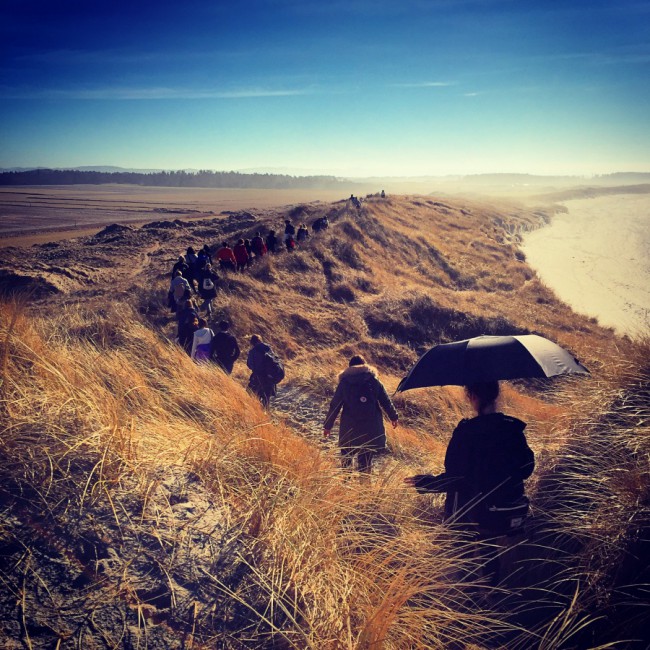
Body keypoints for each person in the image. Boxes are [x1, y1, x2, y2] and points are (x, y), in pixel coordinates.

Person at [404, 381, 535, 534]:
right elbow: (527, 468)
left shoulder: (466, 433)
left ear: (471, 396)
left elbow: (455, 479)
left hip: (475, 520)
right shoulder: (513, 428)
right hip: (511, 514)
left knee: (479, 556)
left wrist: (424, 483)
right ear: (496, 395)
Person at [323, 355, 398, 475]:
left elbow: (335, 405)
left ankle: (346, 486)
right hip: (369, 428)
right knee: (365, 462)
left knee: (346, 457)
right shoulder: (374, 381)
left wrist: (328, 426)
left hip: (349, 427)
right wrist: (394, 417)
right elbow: (386, 401)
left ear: (349, 367)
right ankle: (364, 487)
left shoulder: (344, 383)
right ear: (365, 365)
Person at [247, 334, 282, 408]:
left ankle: (259, 410)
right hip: (269, 375)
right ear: (260, 340)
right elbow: (274, 359)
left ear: (252, 342)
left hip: (258, 375)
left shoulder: (252, 351)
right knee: (267, 396)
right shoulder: (268, 347)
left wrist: (255, 367)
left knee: (254, 393)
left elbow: (249, 364)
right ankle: (266, 409)